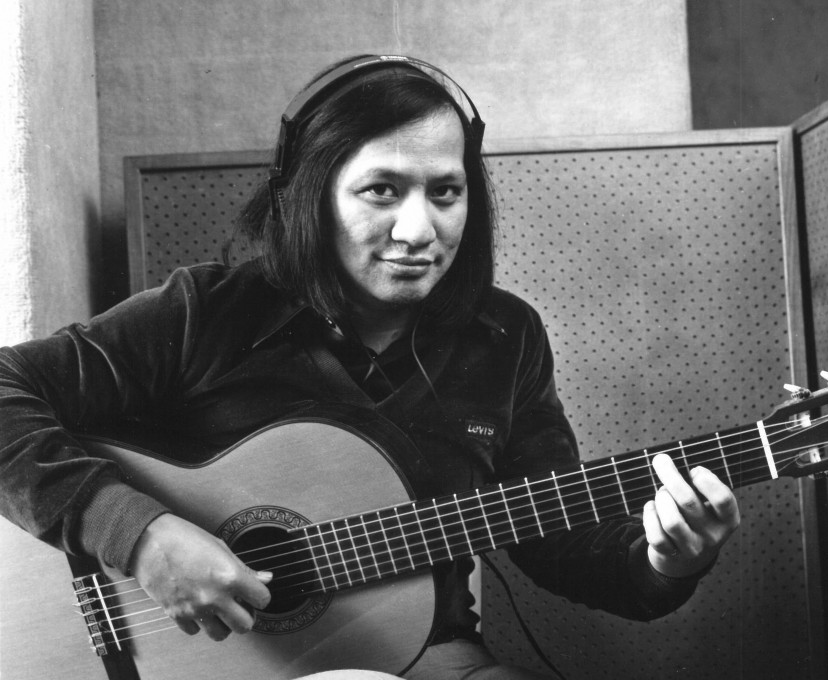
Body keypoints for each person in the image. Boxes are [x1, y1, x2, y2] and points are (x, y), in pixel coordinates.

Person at [0, 55, 740, 679]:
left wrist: (666, 559)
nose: (419, 229)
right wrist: (141, 534)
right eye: (381, 190)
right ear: (312, 193)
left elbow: (555, 538)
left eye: (445, 192)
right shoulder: (209, 311)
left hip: (431, 658)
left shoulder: (504, 336)